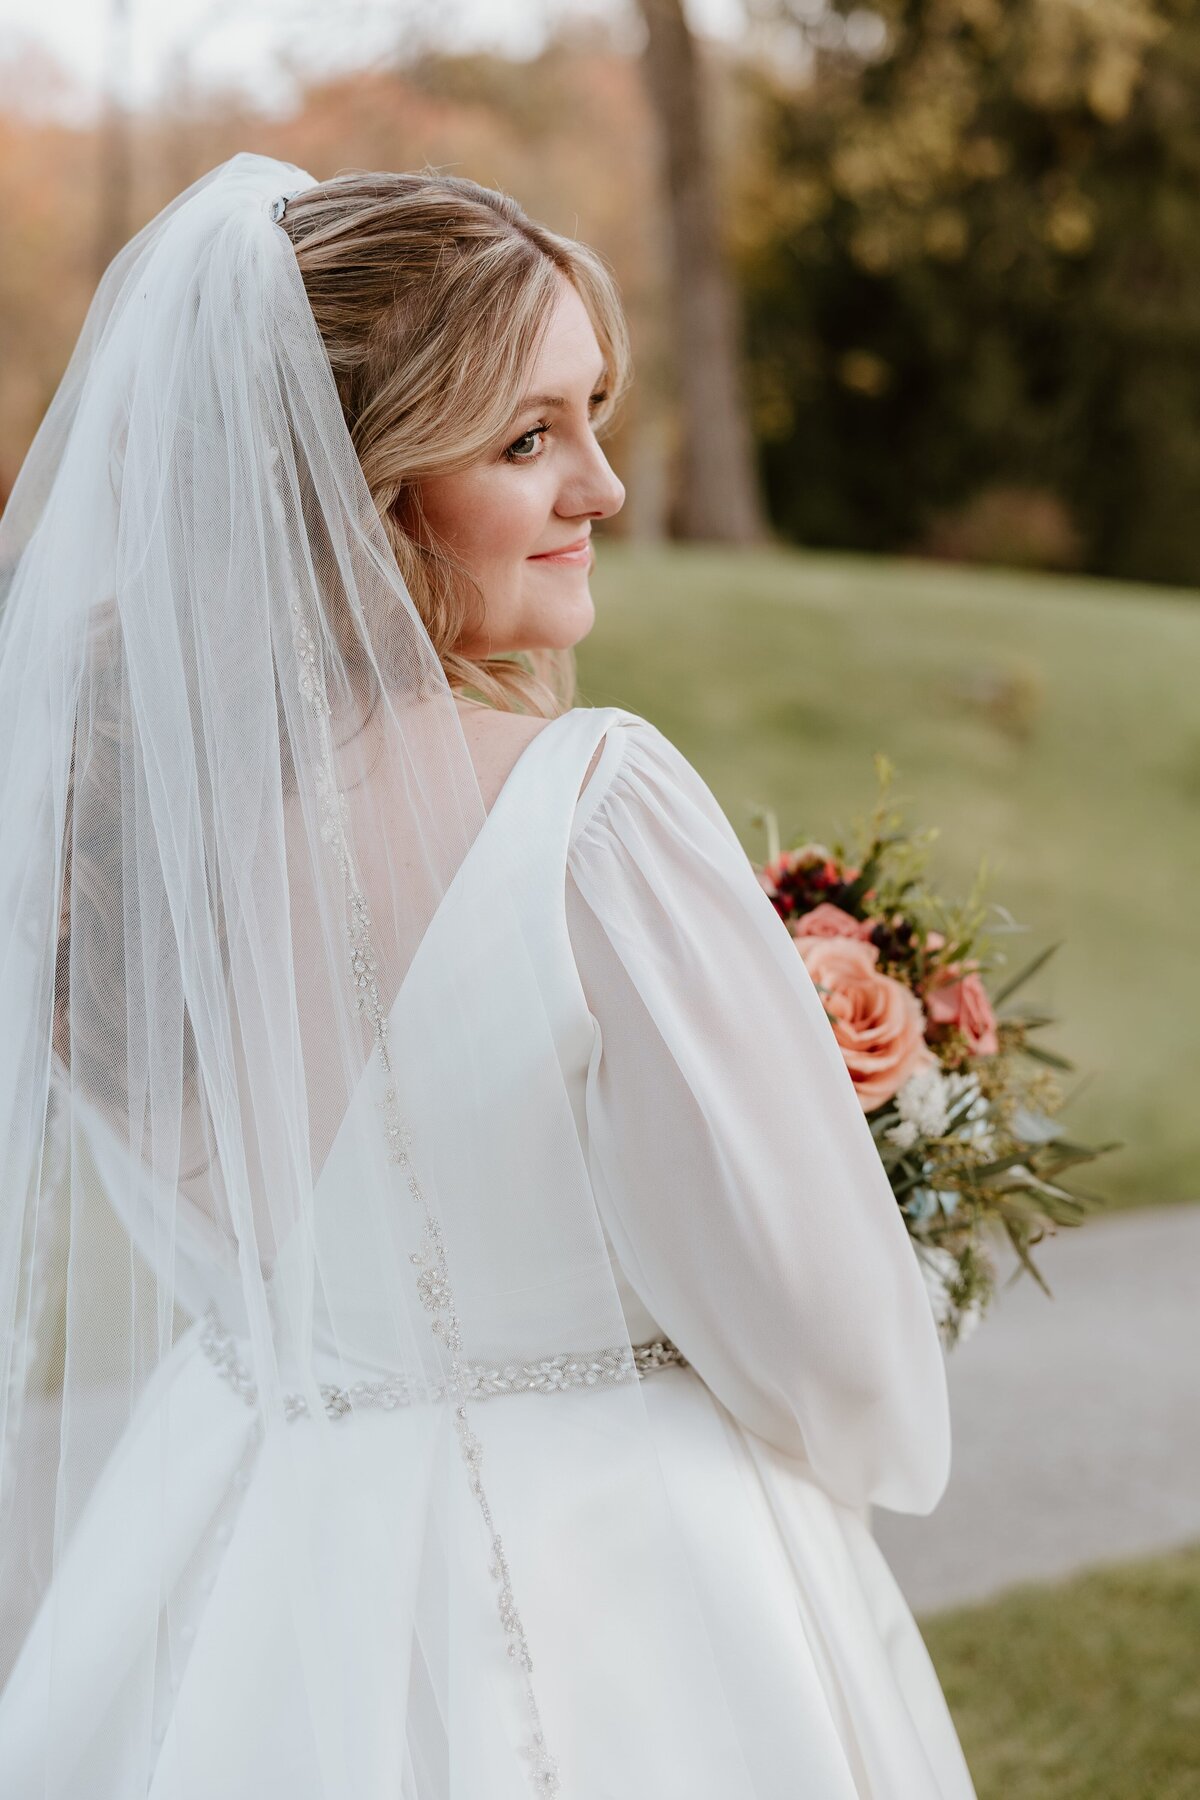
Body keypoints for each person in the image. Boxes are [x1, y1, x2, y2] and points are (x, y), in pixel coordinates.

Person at [0, 153, 976, 1798]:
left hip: (249, 1551)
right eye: (527, 440)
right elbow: (835, 1351)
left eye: (595, 411)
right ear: (358, 487)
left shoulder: (128, 835)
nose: (600, 485)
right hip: (630, 1599)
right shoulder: (586, 806)